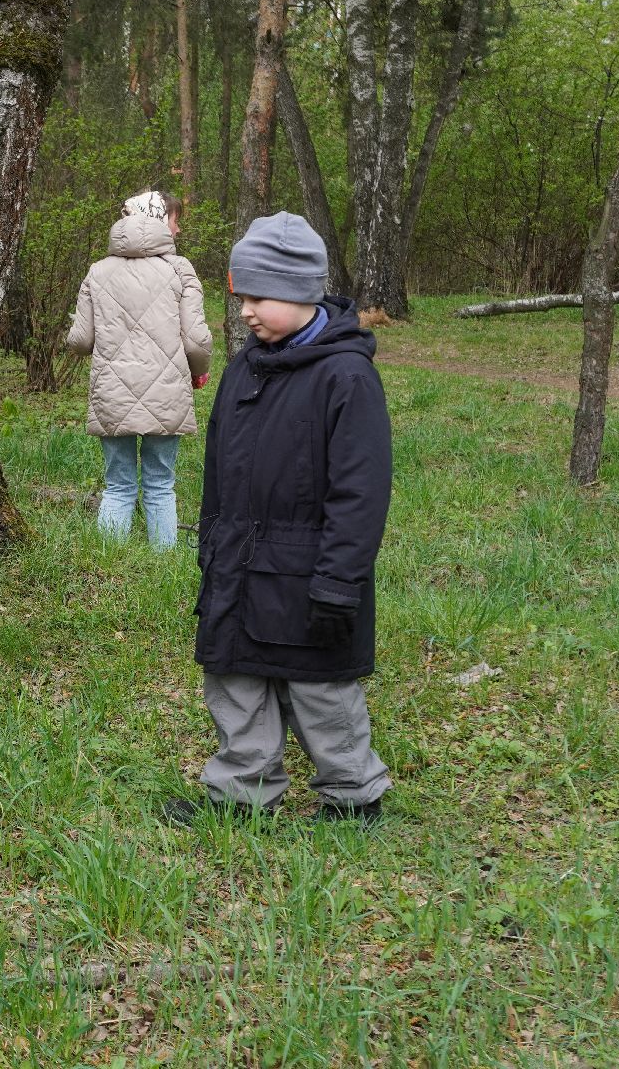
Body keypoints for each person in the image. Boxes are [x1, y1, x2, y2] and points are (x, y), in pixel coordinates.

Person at [166, 211, 393, 826]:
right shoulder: (245, 367)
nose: (244, 311)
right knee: (234, 679)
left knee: (319, 688)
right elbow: (220, 467)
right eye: (241, 296)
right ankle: (242, 795)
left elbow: (360, 494)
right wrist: (212, 544)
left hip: (309, 571)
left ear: (300, 293)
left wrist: (339, 581)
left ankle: (354, 797)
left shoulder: (347, 377)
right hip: (237, 562)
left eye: (258, 298)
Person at [66, 190, 212, 550]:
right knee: (160, 483)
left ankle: (108, 562)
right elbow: (196, 341)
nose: (178, 229)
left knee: (118, 485)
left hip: (111, 391)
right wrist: (199, 371)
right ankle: (161, 566)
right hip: (167, 391)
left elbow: (80, 340)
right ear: (158, 220)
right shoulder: (180, 270)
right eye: (175, 220)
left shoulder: (97, 271)